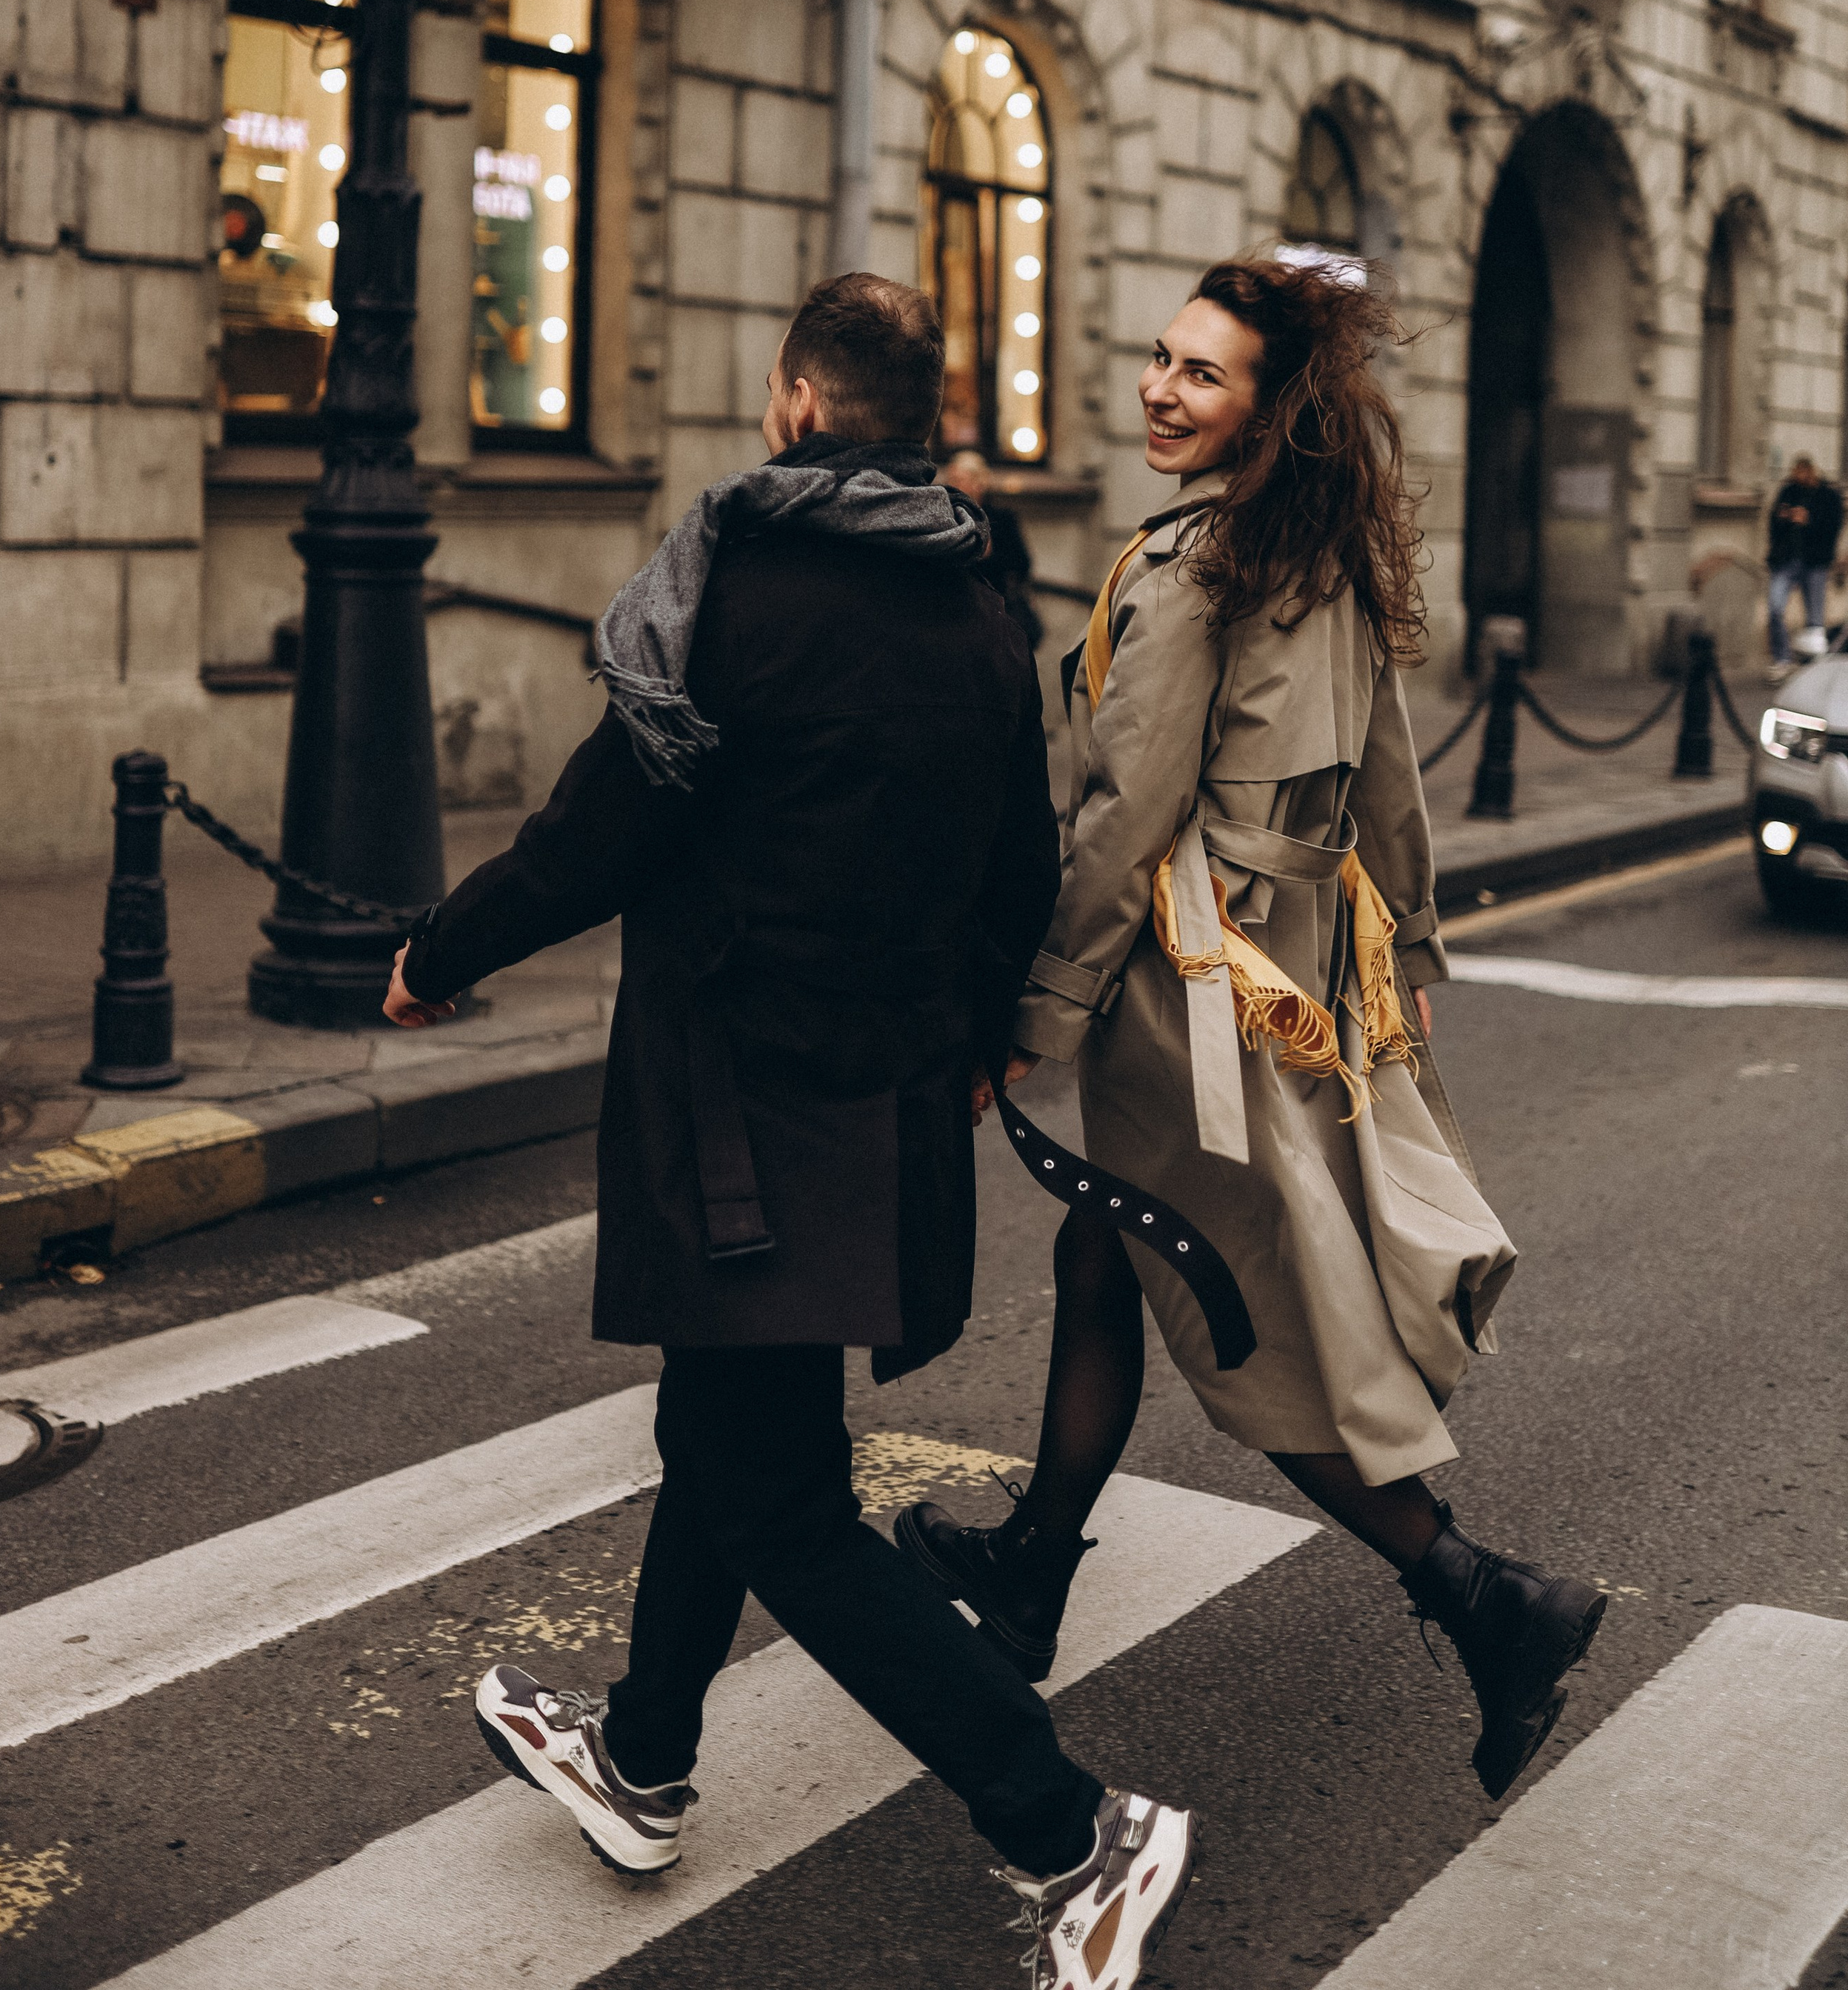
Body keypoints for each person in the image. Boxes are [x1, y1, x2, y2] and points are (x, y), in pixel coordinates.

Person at [384, 273, 1196, 1990]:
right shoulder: (981, 598)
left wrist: (435, 952)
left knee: (783, 1502)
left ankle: (1069, 1826)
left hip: (732, 1107)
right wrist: (988, 1038)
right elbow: (1015, 864)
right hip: (877, 1098)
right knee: (727, 1433)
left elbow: (596, 832)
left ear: (798, 404)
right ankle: (645, 1750)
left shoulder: (733, 589)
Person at [899, 256, 1606, 1806]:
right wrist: (1404, 939)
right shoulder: (1313, 541)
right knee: (1116, 1246)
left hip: (1189, 985)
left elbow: (1124, 812)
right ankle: (1028, 1567)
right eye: (1159, 359)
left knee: (1240, 1326)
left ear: (1267, 408)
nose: (1161, 389)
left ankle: (1485, 1600)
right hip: (1287, 966)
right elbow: (1389, 774)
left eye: (1201, 375)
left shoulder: (1193, 562)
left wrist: (1039, 1011)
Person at [944, 448, 1046, 652]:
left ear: (979, 483)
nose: (953, 487)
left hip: (995, 611)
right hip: (954, 613)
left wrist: (989, 555)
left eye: (960, 480)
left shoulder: (1002, 519)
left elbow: (1021, 563)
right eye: (951, 479)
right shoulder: (944, 519)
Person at [1765, 454, 1842, 676]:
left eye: (1802, 472)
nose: (1798, 477)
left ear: (1811, 471)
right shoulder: (1789, 492)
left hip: (1815, 563)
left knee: (1815, 616)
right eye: (1795, 472)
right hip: (1787, 561)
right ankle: (1782, 659)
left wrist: (1808, 521)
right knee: (1775, 607)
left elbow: (1832, 528)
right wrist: (1785, 517)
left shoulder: (1828, 495)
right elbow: (1773, 522)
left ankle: (1813, 664)